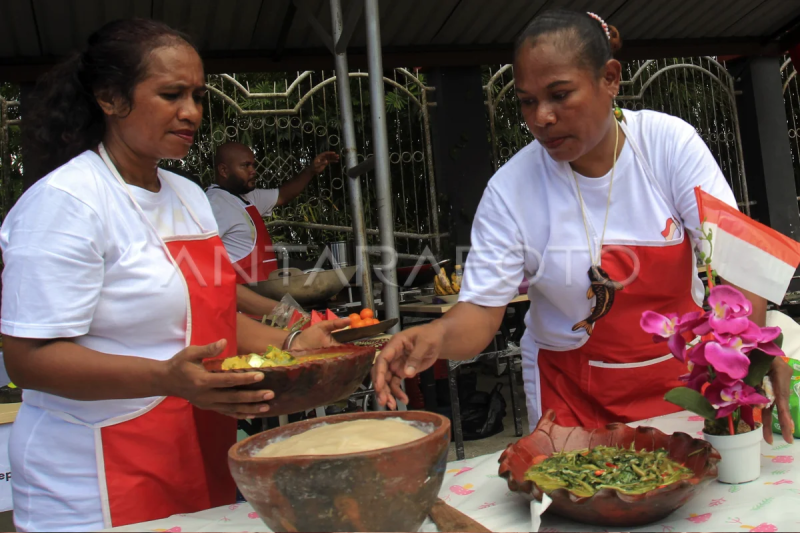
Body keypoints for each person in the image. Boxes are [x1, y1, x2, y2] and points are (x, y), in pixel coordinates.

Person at [372, 10, 795, 444]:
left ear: (610, 78)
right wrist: (436, 335)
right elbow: (480, 313)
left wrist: (752, 353)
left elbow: (738, 264)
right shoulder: (510, 192)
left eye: (559, 95)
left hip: (684, 391)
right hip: (570, 402)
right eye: (527, 101)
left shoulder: (668, 146)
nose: (542, 118)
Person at [0, 19, 348, 532]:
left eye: (197, 95)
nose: (192, 112)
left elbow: (211, 315)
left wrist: (292, 342)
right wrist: (165, 378)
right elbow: (28, 360)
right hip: (95, 475)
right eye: (171, 94)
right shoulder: (66, 204)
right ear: (110, 99)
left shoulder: (186, 197)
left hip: (200, 447)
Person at [206, 142, 339, 317]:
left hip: (266, 305)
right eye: (245, 166)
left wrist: (311, 171)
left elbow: (282, 195)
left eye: (253, 164)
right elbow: (205, 261)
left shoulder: (246, 197)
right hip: (242, 310)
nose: (253, 170)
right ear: (224, 170)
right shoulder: (214, 204)